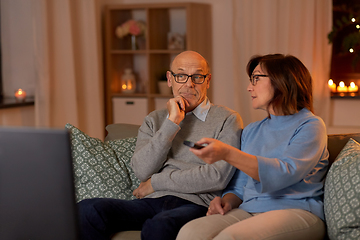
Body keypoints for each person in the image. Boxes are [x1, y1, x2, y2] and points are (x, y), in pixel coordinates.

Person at [77, 50, 243, 240]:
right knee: (87, 209)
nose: (189, 84)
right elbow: (142, 170)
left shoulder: (227, 119)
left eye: (197, 76)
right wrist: (171, 123)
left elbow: (217, 176)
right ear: (170, 79)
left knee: (160, 227)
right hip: (150, 202)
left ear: (207, 80)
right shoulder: (154, 120)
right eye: (181, 76)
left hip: (195, 204)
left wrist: (155, 183)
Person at [176, 54, 329, 240]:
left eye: (256, 79)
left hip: (297, 211)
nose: (249, 87)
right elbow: (239, 188)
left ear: (283, 80)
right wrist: (225, 202)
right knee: (190, 233)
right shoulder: (251, 131)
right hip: (249, 210)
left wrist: (227, 153)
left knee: (229, 238)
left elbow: (283, 173)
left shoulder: (311, 125)